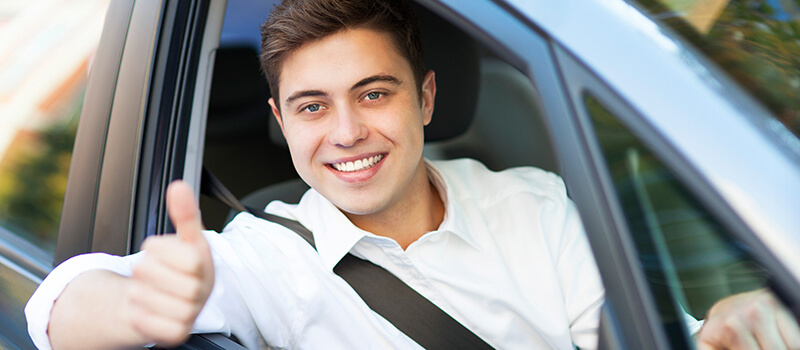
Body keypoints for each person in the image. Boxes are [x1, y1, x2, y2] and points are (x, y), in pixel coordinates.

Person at [25, 0, 800, 349]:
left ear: (424, 96)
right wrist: (140, 310)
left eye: (374, 93)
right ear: (282, 121)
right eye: (312, 108)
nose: (348, 132)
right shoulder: (268, 258)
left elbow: (622, 333)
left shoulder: (532, 201)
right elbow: (55, 308)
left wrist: (726, 329)